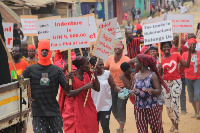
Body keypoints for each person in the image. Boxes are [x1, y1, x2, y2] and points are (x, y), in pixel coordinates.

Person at [22, 39, 70, 133]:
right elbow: (20, 85)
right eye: (42, 50)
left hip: (53, 112)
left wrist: (69, 79)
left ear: (50, 51)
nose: (44, 52)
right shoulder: (30, 70)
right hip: (38, 113)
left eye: (46, 50)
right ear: (38, 51)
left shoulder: (57, 71)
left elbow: (68, 91)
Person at [60, 56, 100, 133]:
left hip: (87, 106)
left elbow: (97, 89)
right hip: (72, 108)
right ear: (81, 66)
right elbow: (68, 93)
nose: (89, 66)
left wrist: (95, 75)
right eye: (87, 64)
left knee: (91, 127)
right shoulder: (71, 76)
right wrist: (84, 87)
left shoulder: (88, 74)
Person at [159, 41, 191, 132]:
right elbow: (160, 75)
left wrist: (188, 52)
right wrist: (159, 68)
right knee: (168, 106)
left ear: (170, 47)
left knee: (174, 103)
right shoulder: (161, 60)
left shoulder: (176, 55)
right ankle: (173, 123)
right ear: (162, 49)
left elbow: (187, 65)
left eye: (167, 47)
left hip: (176, 82)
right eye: (164, 47)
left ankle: (176, 127)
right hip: (165, 84)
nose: (166, 49)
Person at [132, 54, 168, 133]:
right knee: (141, 131)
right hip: (139, 108)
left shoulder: (152, 75)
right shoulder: (136, 76)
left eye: (136, 62)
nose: (134, 64)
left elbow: (158, 91)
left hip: (152, 107)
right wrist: (131, 92)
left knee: (156, 130)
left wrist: (151, 90)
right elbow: (133, 90)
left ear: (142, 63)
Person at [90, 56, 121, 133]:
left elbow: (114, 86)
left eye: (102, 64)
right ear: (93, 66)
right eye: (100, 65)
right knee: (93, 129)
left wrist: (126, 92)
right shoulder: (89, 75)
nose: (102, 66)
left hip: (105, 105)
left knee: (105, 127)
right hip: (93, 106)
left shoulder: (107, 74)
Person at [104, 42, 130, 133]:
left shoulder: (126, 59)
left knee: (121, 107)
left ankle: (121, 129)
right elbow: (105, 70)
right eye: (116, 47)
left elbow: (130, 72)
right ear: (114, 49)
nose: (117, 49)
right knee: (114, 109)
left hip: (123, 88)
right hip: (112, 87)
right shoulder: (110, 58)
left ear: (123, 49)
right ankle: (120, 123)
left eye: (119, 47)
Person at [182, 38, 200, 120]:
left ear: (196, 45)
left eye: (193, 44)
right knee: (191, 96)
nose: (192, 46)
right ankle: (195, 111)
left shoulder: (199, 53)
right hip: (188, 77)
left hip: (198, 77)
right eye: (190, 44)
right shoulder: (185, 54)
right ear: (188, 46)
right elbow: (183, 64)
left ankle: (198, 113)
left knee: (197, 94)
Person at [171, 34, 188, 114]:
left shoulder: (184, 48)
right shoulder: (171, 49)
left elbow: (187, 60)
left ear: (179, 40)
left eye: (174, 39)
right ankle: (175, 108)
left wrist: (181, 52)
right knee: (174, 92)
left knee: (182, 92)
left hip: (182, 73)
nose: (173, 40)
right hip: (173, 74)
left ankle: (183, 109)